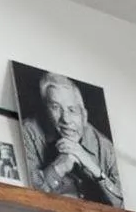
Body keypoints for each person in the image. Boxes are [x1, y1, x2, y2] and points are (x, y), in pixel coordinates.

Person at [25, 69, 121, 204]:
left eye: (72, 110)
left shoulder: (104, 146)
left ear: (84, 116)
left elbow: (122, 205)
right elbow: (26, 197)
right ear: (46, 111)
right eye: (56, 107)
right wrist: (59, 168)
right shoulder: (29, 133)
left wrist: (92, 167)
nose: (66, 119)